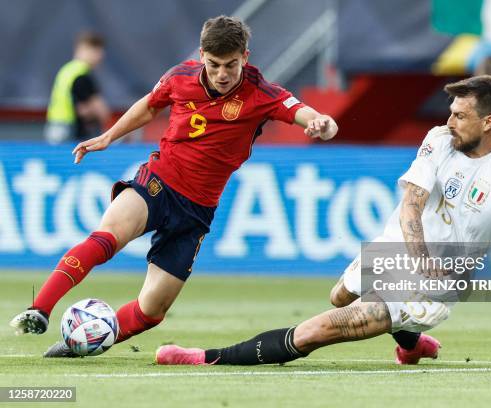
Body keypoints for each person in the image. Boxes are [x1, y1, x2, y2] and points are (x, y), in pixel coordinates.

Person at [156, 75, 491, 373]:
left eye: (460, 116)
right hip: (402, 249)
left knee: (321, 329)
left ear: (488, 122)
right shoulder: (441, 138)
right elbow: (411, 205)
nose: (449, 121)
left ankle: (203, 357)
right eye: (450, 112)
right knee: (339, 296)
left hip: (440, 283)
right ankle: (411, 345)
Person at [10, 15, 338, 357]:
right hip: (158, 182)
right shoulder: (180, 76)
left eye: (231, 65)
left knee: (152, 311)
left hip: (196, 212)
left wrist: (322, 124)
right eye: (213, 65)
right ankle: (40, 309)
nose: (222, 74)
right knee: (108, 236)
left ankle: (78, 345)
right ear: (201, 55)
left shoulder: (262, 93)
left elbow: (306, 114)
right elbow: (149, 106)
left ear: (245, 56)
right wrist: (109, 136)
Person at [45, 31, 111, 144]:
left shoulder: (67, 70)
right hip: (70, 129)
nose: (100, 57)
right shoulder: (81, 75)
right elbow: (99, 111)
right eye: (97, 51)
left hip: (54, 125)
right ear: (84, 50)